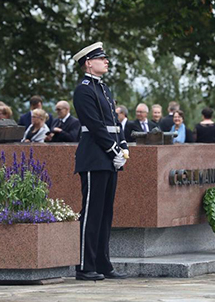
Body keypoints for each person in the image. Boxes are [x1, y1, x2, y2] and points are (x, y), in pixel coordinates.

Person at [72, 42, 129, 281]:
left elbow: (114, 123)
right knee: (92, 213)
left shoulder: (103, 88)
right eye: (101, 58)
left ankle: (104, 264)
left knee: (106, 213)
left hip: (108, 158)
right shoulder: (84, 89)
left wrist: (123, 147)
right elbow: (94, 125)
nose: (106, 61)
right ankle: (85, 265)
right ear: (88, 62)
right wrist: (113, 149)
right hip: (94, 157)